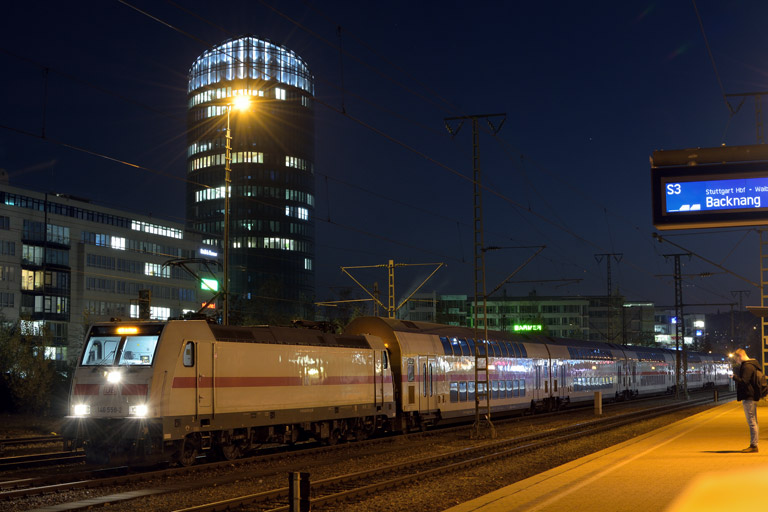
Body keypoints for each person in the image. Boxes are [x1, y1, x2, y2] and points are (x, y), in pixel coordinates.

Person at [732, 348, 761, 453]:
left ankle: (753, 445)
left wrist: (734, 377)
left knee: (752, 422)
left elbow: (744, 381)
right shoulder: (753, 364)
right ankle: (754, 444)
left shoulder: (747, 366)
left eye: (736, 359)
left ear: (740, 356)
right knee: (754, 421)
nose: (737, 362)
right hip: (752, 396)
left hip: (749, 397)